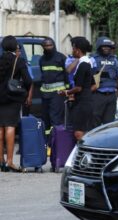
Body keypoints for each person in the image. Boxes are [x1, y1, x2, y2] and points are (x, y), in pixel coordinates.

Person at [0, 36, 32, 172]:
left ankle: (1, 161)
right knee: (10, 127)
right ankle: (10, 162)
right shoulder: (19, 61)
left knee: (0, 128)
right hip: (12, 98)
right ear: (15, 47)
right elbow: (28, 80)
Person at [58, 37, 94, 141]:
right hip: (87, 101)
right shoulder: (89, 63)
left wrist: (66, 92)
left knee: (79, 133)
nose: (72, 51)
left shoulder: (83, 65)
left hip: (82, 103)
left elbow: (78, 88)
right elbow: (93, 84)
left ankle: (83, 155)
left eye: (73, 48)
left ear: (77, 50)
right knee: (84, 131)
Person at [91, 36, 118, 127]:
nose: (106, 48)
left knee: (109, 123)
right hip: (98, 95)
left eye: (108, 46)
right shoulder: (93, 59)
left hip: (111, 96)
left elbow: (117, 78)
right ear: (99, 47)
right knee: (95, 121)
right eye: (104, 46)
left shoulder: (114, 60)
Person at [39, 37, 68, 132]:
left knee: (55, 118)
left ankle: (56, 142)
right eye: (46, 46)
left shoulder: (61, 58)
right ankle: (48, 143)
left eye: (50, 45)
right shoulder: (41, 59)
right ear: (43, 47)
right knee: (45, 118)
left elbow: (67, 75)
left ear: (54, 45)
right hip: (45, 94)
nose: (48, 47)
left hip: (58, 93)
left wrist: (67, 91)